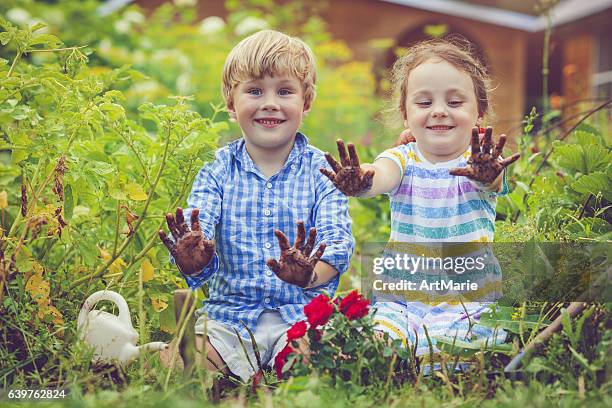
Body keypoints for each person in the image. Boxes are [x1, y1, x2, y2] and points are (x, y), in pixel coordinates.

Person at [158, 29, 354, 381]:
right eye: (254, 91)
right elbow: (196, 233)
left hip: (302, 316)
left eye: (284, 91)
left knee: (318, 367)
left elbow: (338, 244)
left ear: (305, 102)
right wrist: (193, 257)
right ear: (232, 104)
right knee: (182, 368)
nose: (269, 102)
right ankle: (142, 353)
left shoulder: (322, 172)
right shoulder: (217, 171)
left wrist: (309, 276)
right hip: (228, 319)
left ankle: (270, 375)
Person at [320, 38, 519, 355]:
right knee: (379, 343)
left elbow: (492, 182)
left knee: (439, 349)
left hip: (464, 297)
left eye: (455, 103)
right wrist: (361, 181)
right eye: (424, 103)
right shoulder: (402, 158)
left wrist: (488, 173)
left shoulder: (481, 162)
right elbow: (381, 175)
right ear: (405, 113)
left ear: (479, 111)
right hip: (402, 296)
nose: (439, 111)